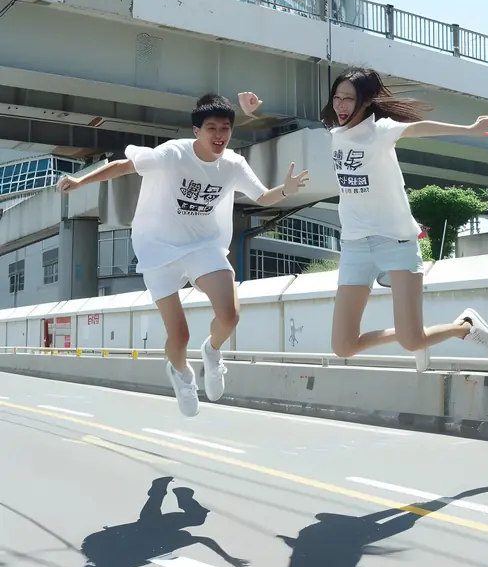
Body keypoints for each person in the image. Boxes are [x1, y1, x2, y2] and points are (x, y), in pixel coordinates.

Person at [58, 92, 308, 414]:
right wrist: (80, 181)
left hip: (204, 245)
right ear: (196, 131)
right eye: (211, 129)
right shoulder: (173, 154)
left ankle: (212, 352)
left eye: (225, 129)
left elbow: (262, 197)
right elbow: (124, 166)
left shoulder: (233, 164)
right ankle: (180, 372)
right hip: (159, 248)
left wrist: (286, 190)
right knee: (179, 334)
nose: (219, 136)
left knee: (230, 315)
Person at [321, 68, 488, 372]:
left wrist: (468, 129)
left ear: (366, 101)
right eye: (337, 98)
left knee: (413, 340)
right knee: (343, 346)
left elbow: (420, 128)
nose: (340, 105)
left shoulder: (381, 131)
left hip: (396, 242)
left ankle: (464, 326)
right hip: (354, 246)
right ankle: (418, 337)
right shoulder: (335, 135)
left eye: (349, 99)